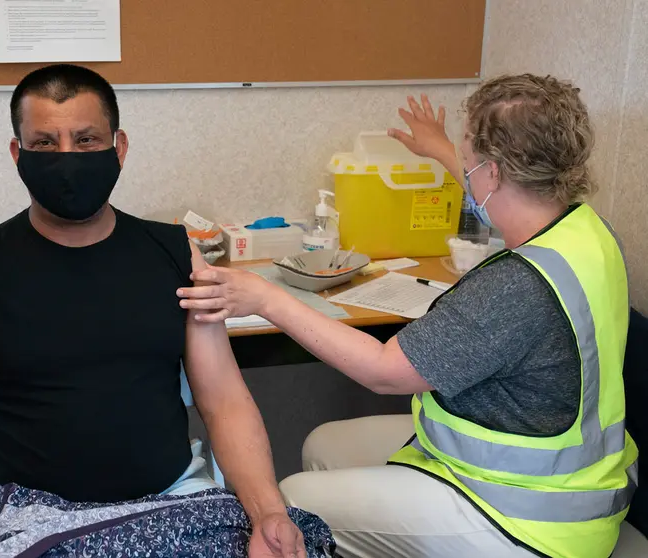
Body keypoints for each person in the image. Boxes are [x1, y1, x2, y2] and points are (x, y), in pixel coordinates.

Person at [0, 64, 307, 557]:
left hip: (172, 502)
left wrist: (267, 511)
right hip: (34, 520)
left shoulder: (173, 252)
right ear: (16, 154)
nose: (67, 159)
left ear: (120, 147)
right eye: (45, 144)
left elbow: (224, 401)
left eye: (86, 140)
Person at [177, 74, 637, 558]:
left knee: (292, 506)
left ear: (495, 172)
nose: (463, 164)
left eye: (467, 156)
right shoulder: (586, 231)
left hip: (527, 521)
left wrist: (266, 298)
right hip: (574, 483)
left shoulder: (514, 288)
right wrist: (441, 150)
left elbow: (384, 371)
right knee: (322, 446)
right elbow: (508, 194)